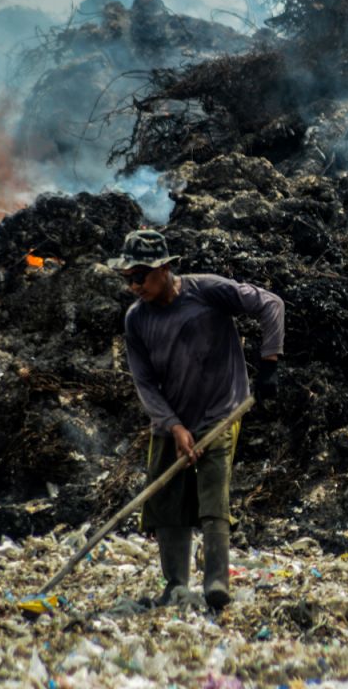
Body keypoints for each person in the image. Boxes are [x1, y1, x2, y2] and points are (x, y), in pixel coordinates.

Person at [107, 229, 284, 611]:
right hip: (170, 419)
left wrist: (269, 364)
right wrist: (174, 426)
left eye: (142, 275)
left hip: (220, 410)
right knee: (166, 502)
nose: (135, 285)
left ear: (166, 268)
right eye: (129, 279)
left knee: (212, 496)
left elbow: (271, 304)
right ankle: (174, 585)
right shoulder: (136, 320)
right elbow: (145, 382)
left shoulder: (207, 292)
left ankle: (216, 582)